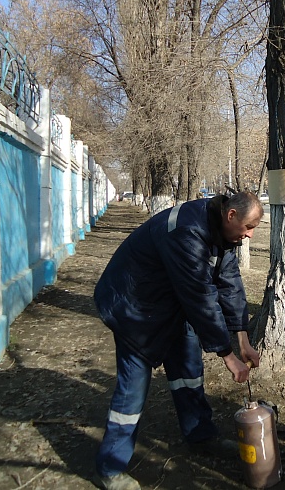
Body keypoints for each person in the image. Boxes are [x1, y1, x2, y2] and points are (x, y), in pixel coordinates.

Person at [93, 191, 264, 490]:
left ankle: (200, 435)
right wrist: (227, 355)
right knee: (132, 391)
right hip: (135, 307)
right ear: (231, 215)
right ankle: (110, 467)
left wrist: (243, 338)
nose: (249, 235)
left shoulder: (223, 232)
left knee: (188, 373)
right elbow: (200, 296)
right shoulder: (186, 231)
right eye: (248, 227)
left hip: (171, 305)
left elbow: (230, 283)